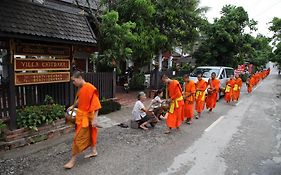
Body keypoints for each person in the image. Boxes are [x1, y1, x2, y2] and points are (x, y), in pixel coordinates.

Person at [64, 71, 101, 169]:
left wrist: (95, 119)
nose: (73, 83)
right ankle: (94, 151)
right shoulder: (81, 88)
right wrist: (73, 106)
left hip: (88, 117)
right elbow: (80, 99)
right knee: (90, 134)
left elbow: (96, 105)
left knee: (78, 138)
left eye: (74, 80)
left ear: (80, 78)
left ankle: (72, 160)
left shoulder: (90, 88)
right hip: (82, 116)